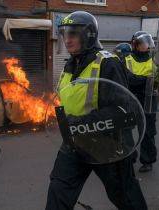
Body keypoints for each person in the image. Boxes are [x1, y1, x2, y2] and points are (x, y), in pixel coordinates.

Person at [46, 11, 147, 210]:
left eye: (73, 34)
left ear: (88, 35)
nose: (67, 40)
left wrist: (79, 123)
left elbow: (123, 111)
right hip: (75, 142)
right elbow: (68, 98)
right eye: (65, 34)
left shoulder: (107, 63)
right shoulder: (69, 65)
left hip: (108, 145)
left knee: (125, 197)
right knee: (58, 192)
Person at [124, 31, 159, 173]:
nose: (147, 45)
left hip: (149, 99)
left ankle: (148, 161)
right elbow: (129, 80)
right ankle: (129, 157)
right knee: (125, 130)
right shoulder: (127, 60)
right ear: (135, 45)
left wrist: (143, 81)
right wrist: (146, 80)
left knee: (147, 131)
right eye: (144, 43)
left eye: (147, 42)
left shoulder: (154, 60)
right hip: (131, 98)